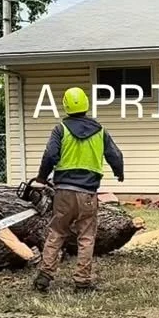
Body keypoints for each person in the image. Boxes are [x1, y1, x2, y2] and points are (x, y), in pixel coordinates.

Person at [33, 87, 124, 293]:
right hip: (88, 193)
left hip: (63, 192)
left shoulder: (60, 130)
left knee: (57, 232)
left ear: (65, 105)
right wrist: (119, 172)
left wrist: (41, 177)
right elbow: (115, 155)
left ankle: (45, 275)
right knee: (86, 236)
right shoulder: (100, 131)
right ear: (86, 103)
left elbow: (50, 155)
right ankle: (82, 281)